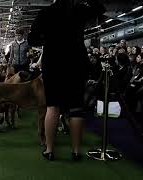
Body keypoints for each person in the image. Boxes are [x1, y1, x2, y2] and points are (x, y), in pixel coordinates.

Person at [28, 0, 105, 161]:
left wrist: (49, 39)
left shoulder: (45, 13)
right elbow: (100, 8)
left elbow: (32, 40)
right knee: (76, 108)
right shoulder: (80, 9)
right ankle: (76, 151)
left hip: (53, 62)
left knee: (53, 106)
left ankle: (49, 150)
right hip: (76, 63)